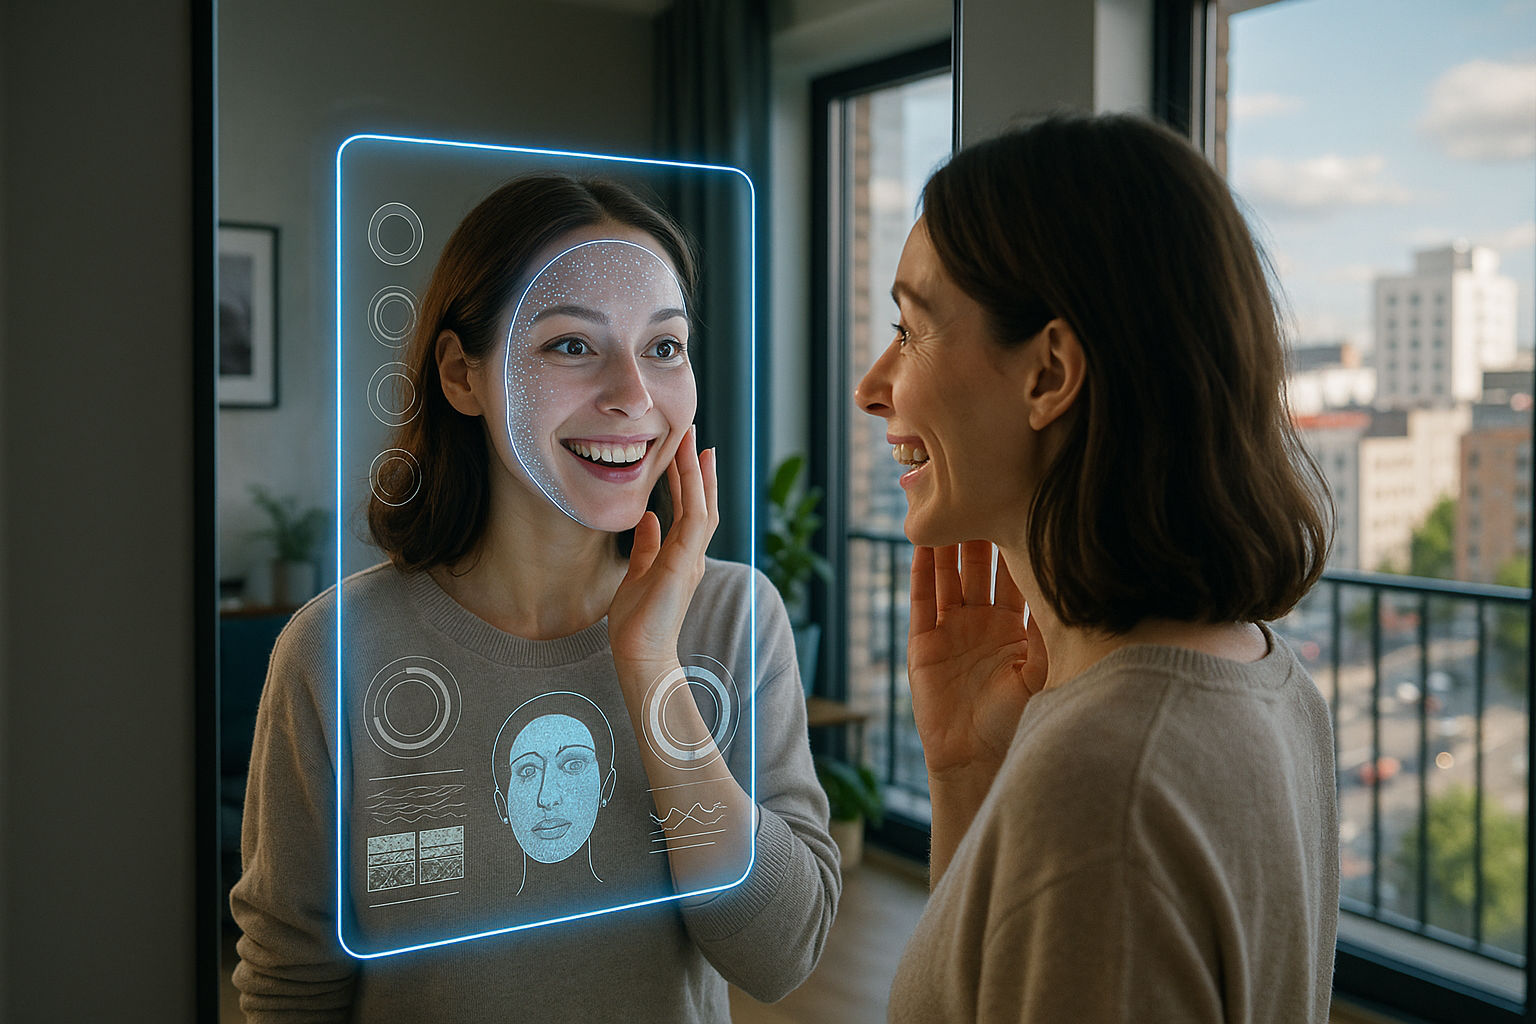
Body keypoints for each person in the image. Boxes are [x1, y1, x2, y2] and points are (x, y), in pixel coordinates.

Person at [232, 172, 839, 1023]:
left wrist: (651, 666)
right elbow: (291, 985)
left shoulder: (734, 617)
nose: (633, 394)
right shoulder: (333, 652)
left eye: (664, 347)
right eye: (570, 345)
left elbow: (778, 955)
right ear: (461, 375)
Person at [854, 114, 1339, 1022]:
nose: (873, 384)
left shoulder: (1104, 783)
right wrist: (972, 777)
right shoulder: (1266, 677)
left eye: (911, 331)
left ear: (1048, 374)